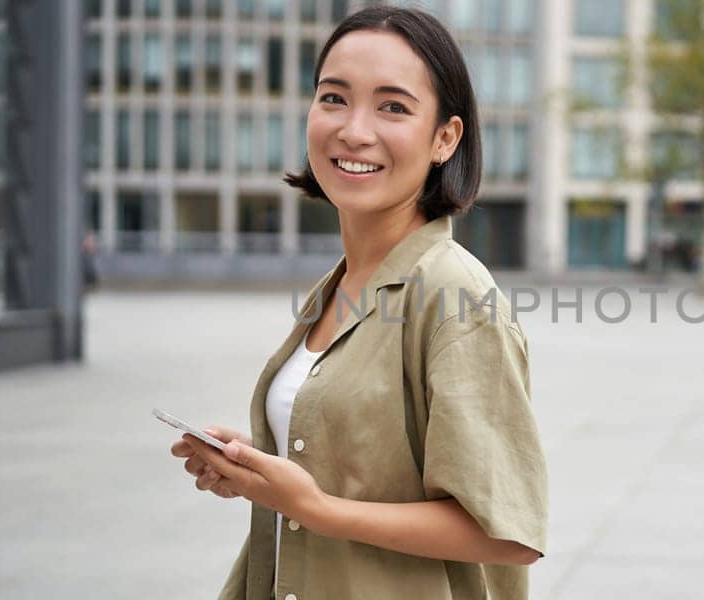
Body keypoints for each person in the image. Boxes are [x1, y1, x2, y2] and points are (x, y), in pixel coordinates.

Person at [168, 7, 547, 600]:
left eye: (393, 107)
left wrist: (317, 507)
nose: (354, 130)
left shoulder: (456, 297)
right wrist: (256, 474)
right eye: (334, 98)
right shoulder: (338, 286)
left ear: (445, 138)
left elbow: (507, 532)